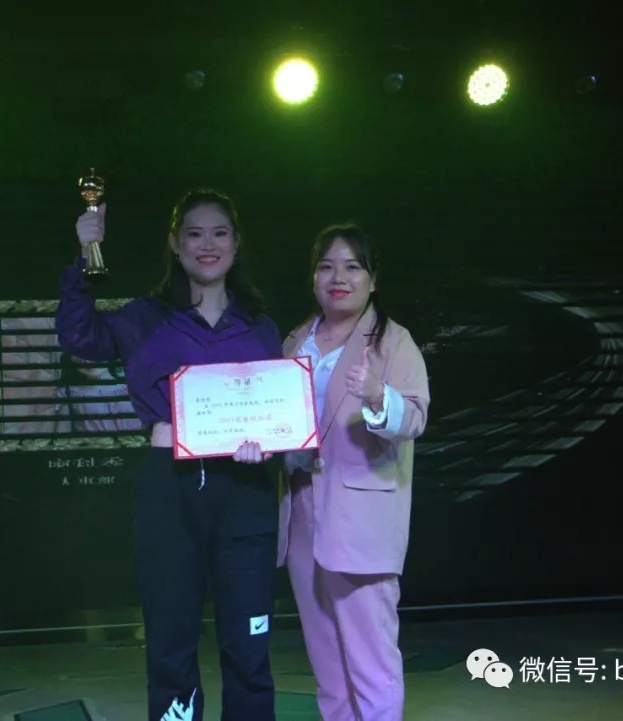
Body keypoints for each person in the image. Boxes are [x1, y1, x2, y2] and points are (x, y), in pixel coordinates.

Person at [55, 189, 283, 721]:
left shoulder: (261, 328)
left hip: (245, 492)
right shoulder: (145, 317)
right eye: (194, 234)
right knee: (170, 643)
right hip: (170, 490)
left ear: (236, 244)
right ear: (176, 245)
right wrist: (85, 256)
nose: (208, 244)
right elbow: (79, 336)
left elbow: (278, 413)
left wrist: (268, 443)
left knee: (249, 649)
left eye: (219, 233)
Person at [278, 223, 430, 721]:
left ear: (373, 279)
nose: (338, 277)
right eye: (326, 266)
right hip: (302, 513)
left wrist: (377, 395)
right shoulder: (296, 341)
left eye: (352, 266)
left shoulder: (394, 342)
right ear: (313, 277)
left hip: (360, 518)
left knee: (371, 661)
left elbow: (414, 417)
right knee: (326, 661)